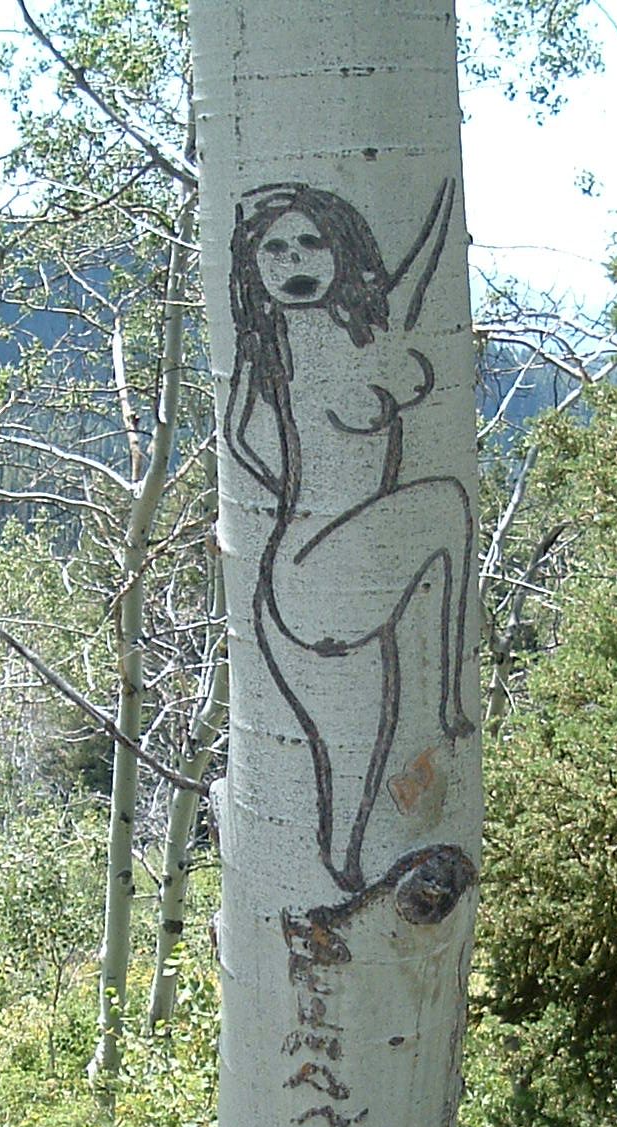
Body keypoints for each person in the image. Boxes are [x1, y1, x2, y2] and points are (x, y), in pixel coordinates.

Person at [226, 178, 475, 895]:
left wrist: (294, 499)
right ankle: (447, 705)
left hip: (304, 577)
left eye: (310, 243)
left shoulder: (299, 341)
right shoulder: (297, 340)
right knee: (444, 510)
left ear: (341, 251)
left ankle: (352, 893)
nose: (292, 260)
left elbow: (244, 437)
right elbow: (248, 435)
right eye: (273, 248)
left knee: (347, 801)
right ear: (252, 265)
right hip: (314, 578)